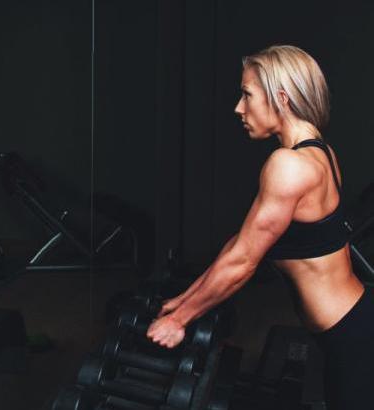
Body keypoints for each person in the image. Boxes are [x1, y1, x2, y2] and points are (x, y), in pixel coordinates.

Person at [147, 45, 370, 410]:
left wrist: (180, 322)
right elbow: (241, 243)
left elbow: (245, 261)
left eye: (247, 94)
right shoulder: (322, 153)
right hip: (351, 326)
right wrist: (185, 301)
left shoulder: (289, 165)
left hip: (351, 337)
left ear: (281, 98)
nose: (239, 107)